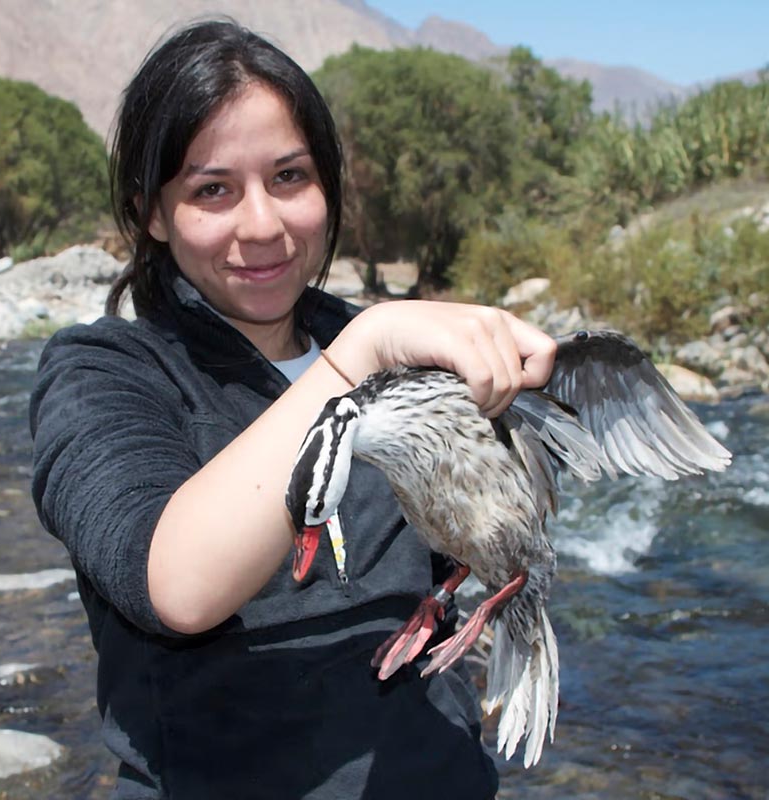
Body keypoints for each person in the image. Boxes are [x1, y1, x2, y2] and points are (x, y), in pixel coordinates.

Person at [30, 16, 557, 799]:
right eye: (213, 189)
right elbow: (174, 586)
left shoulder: (389, 344)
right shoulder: (103, 372)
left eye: (289, 177)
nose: (264, 224)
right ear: (150, 211)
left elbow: (463, 557)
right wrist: (361, 355)